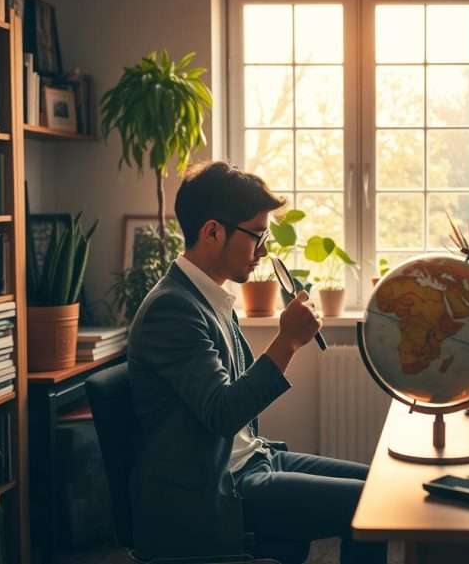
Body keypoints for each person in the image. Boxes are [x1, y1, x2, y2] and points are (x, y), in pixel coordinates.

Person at [127, 161, 386, 564]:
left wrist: (288, 340)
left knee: (379, 486)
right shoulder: (172, 309)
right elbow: (223, 412)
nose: (263, 251)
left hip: (251, 459)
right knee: (368, 506)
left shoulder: (209, 296)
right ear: (213, 231)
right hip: (215, 484)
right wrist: (287, 341)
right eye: (256, 236)